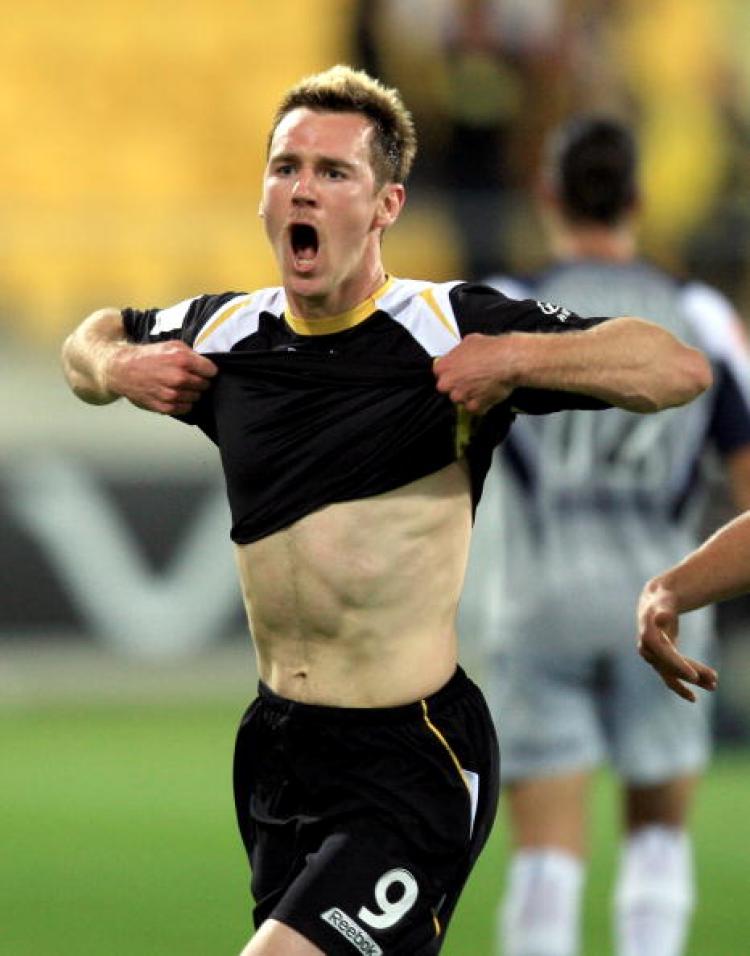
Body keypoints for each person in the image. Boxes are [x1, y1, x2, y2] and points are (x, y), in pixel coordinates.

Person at [61, 69, 710, 956]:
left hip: (412, 757)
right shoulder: (226, 334)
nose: (303, 187)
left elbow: (674, 367)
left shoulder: (447, 329)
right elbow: (89, 336)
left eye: (334, 173)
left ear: (385, 204)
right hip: (278, 751)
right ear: (262, 195)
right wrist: (117, 369)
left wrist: (515, 358)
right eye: (286, 165)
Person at [469, 116, 750, 956]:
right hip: (663, 600)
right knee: (657, 841)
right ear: (638, 198)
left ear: (547, 195)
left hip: (538, 595)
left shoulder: (499, 304)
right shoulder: (697, 312)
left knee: (547, 862)